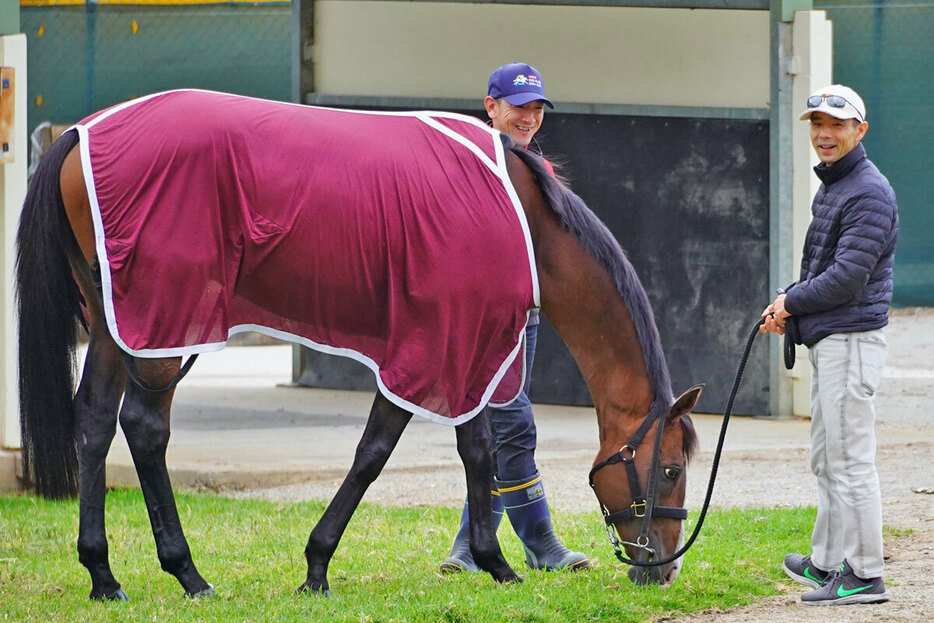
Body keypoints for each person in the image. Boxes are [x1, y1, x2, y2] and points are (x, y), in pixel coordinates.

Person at [440, 63, 589, 573]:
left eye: (536, 109)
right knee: (511, 423)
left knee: (496, 427)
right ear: (491, 107)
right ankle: (540, 545)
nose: (528, 118)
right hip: (472, 318)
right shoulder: (461, 163)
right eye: (518, 107)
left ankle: (469, 546)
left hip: (521, 318)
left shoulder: (539, 172)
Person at [760, 84, 897, 605]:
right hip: (833, 341)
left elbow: (845, 279)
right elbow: (824, 269)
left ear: (859, 130)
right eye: (817, 123)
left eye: (836, 124)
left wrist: (790, 304)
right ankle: (826, 564)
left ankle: (864, 575)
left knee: (850, 462)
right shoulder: (836, 184)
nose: (824, 133)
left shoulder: (868, 191)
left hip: (853, 342)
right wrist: (787, 302)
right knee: (826, 458)